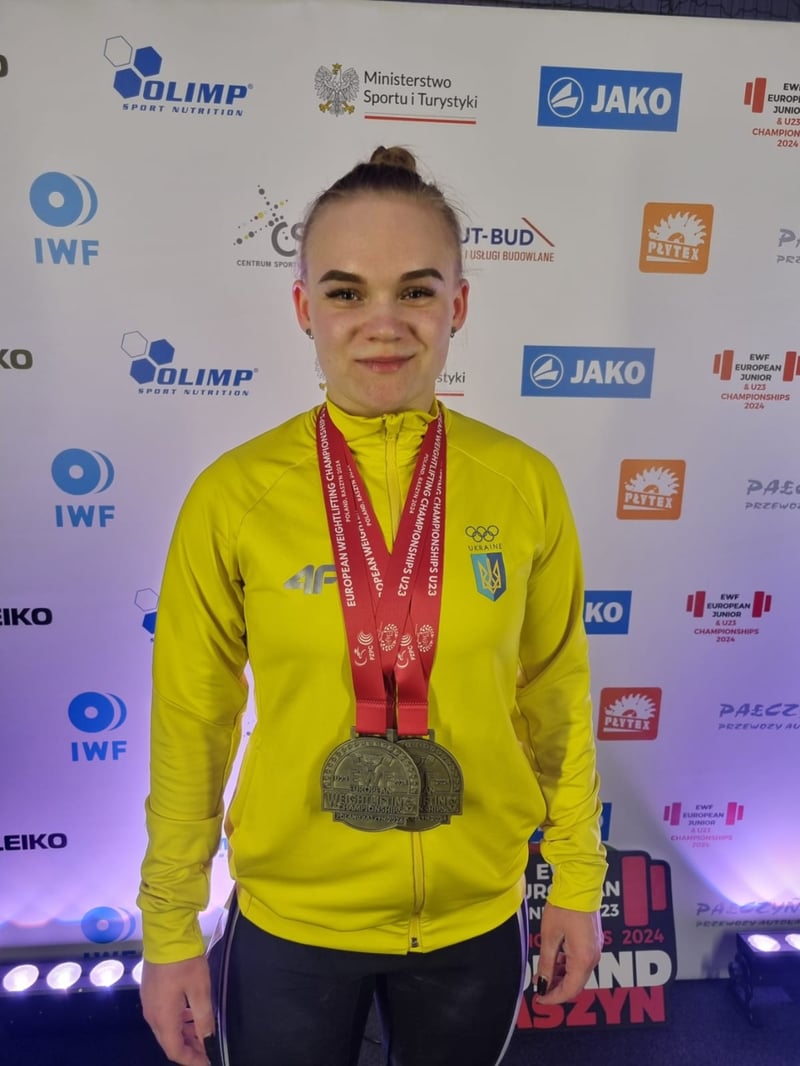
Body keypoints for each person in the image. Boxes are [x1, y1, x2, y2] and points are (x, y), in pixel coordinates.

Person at [138, 145, 607, 1066]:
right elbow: (192, 720)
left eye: (416, 291)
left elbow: (556, 695)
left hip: (475, 916)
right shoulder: (234, 496)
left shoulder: (523, 484)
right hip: (292, 921)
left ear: (458, 304)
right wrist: (170, 927)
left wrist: (577, 880)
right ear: (304, 307)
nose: (383, 324)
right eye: (347, 292)